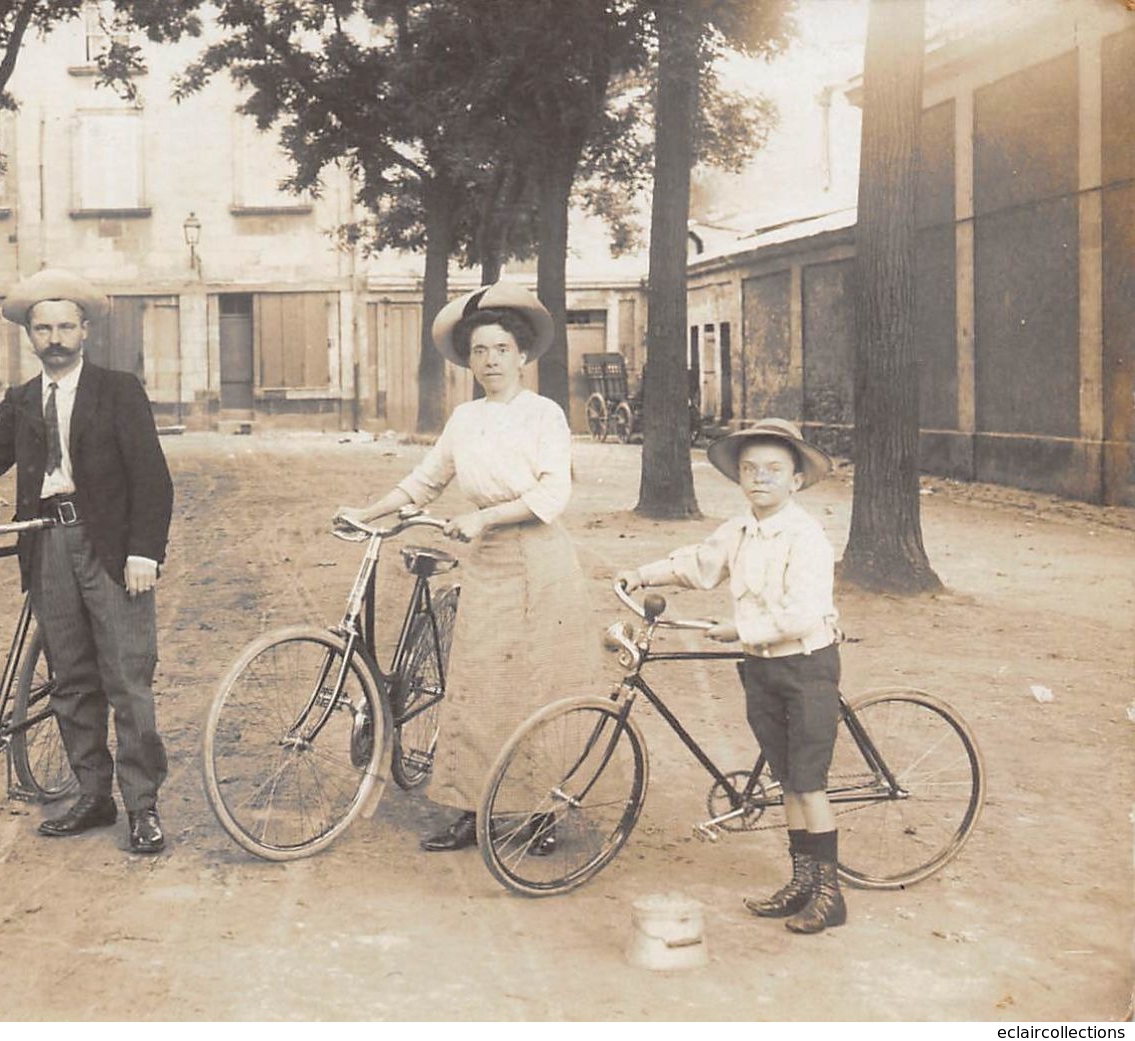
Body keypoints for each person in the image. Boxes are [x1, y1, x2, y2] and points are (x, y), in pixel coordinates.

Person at [0, 269, 175, 855]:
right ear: (28, 335)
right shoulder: (23, 399)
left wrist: (144, 551)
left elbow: (152, 478)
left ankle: (143, 806)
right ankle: (93, 795)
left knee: (127, 679)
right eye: (42, 328)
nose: (54, 338)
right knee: (71, 679)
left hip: (112, 548)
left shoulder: (119, 390)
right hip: (45, 543)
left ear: (85, 331)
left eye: (65, 327)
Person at [334, 282, 608, 854]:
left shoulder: (543, 415)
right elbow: (425, 481)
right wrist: (367, 512)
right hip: (486, 566)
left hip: (538, 563)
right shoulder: (464, 418)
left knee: (534, 687)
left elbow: (553, 492)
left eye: (501, 349)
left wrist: (486, 519)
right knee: (476, 685)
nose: (490, 361)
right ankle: (469, 806)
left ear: (523, 355)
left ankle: (539, 813)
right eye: (479, 351)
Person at [616, 417, 845, 934]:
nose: (760, 479)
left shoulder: (806, 537)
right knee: (785, 777)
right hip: (762, 667)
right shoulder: (739, 529)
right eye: (749, 470)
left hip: (805, 665)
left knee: (809, 782)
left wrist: (742, 628)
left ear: (797, 480)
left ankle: (831, 895)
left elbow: (804, 613)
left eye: (773, 470)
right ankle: (801, 881)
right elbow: (699, 564)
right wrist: (643, 573)